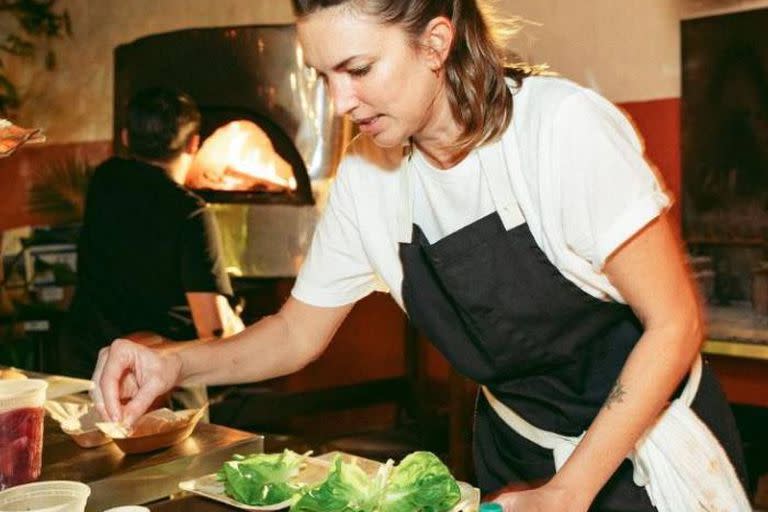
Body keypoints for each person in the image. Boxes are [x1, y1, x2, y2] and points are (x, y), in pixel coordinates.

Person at [91, 2, 750, 510]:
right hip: (516, 452)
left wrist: (571, 490)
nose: (340, 103)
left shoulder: (558, 132)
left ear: (436, 42)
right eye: (322, 76)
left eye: (357, 69)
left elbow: (676, 324)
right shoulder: (368, 179)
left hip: (644, 452)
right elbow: (294, 333)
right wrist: (171, 364)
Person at [65, 87, 243, 409]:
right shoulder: (190, 212)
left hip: (90, 368)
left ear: (125, 138)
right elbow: (212, 329)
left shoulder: (105, 179)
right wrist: (240, 327)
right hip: (160, 386)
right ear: (193, 143)